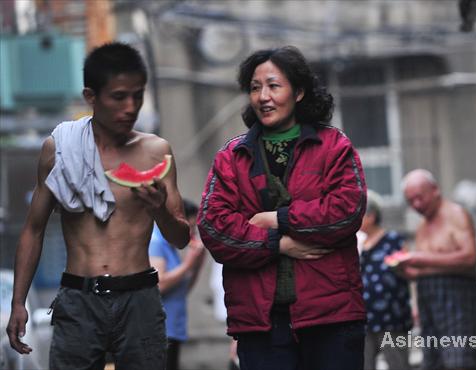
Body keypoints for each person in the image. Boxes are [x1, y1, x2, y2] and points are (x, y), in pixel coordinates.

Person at [6, 42, 190, 370]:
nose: (130, 107)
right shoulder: (59, 149)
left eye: (138, 95)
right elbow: (33, 230)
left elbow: (180, 238)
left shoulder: (156, 151)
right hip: (79, 299)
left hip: (140, 297)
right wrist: (17, 301)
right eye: (119, 96)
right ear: (91, 96)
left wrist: (159, 208)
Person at [198, 45, 367, 370]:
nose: (263, 96)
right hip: (261, 323)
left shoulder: (334, 146)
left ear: (299, 91)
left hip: (331, 317)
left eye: (274, 85)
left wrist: (278, 218)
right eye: (255, 87)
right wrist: (279, 244)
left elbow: (346, 211)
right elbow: (214, 227)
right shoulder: (231, 157)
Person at [399, 169, 476, 370]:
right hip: (428, 297)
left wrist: (422, 258)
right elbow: (424, 271)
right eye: (411, 201)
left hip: (457, 295)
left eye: (420, 197)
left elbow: (470, 257)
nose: (416, 205)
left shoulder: (456, 214)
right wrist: (406, 271)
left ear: (435, 190)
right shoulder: (421, 228)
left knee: (459, 361)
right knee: (432, 362)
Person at [357, 191, 413, 370]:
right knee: (364, 364)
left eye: (360, 213)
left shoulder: (393, 241)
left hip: (392, 318)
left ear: (371, 216)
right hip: (363, 319)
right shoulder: (356, 243)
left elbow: (409, 273)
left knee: (398, 364)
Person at [148, 198, 205, 370]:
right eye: (191, 228)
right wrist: (188, 264)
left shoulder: (171, 246)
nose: (192, 234)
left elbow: (183, 289)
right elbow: (159, 286)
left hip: (174, 328)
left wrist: (198, 262)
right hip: (160, 330)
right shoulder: (156, 242)